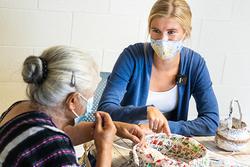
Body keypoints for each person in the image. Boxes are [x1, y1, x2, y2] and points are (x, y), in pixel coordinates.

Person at [0, 46, 144, 167]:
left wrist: (115, 128)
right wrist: (104, 148)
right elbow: (54, 145)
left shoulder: (22, 107)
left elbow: (60, 135)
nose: (91, 100)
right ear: (73, 101)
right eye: (89, 96)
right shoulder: (56, 149)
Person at [98, 0, 219, 136]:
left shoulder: (195, 64)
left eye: (171, 32)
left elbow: (211, 123)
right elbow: (105, 110)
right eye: (156, 31)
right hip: (127, 140)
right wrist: (145, 110)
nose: (163, 39)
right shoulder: (131, 56)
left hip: (167, 145)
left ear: (185, 32)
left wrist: (163, 128)